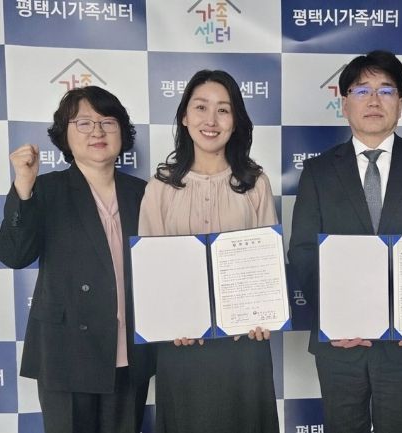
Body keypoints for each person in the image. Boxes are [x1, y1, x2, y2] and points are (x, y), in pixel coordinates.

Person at [287, 50, 402, 433]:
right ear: (344, 103)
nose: (374, 100)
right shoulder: (318, 170)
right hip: (340, 343)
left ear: (401, 102)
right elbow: (303, 251)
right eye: (362, 90)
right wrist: (334, 318)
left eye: (386, 90)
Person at [0, 86, 153, 433]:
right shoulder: (45, 188)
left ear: (122, 132)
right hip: (66, 351)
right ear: (65, 135)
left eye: (108, 122)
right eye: (83, 123)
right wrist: (23, 185)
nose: (97, 131)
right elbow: (15, 255)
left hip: (129, 351)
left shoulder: (143, 193)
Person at [138, 69, 279, 433]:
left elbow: (269, 268)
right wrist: (170, 322)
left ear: (236, 120)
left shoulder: (255, 183)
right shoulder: (161, 187)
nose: (211, 120)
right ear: (185, 117)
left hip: (244, 344)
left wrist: (263, 315)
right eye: (201, 107)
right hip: (182, 344)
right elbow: (150, 273)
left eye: (223, 110)